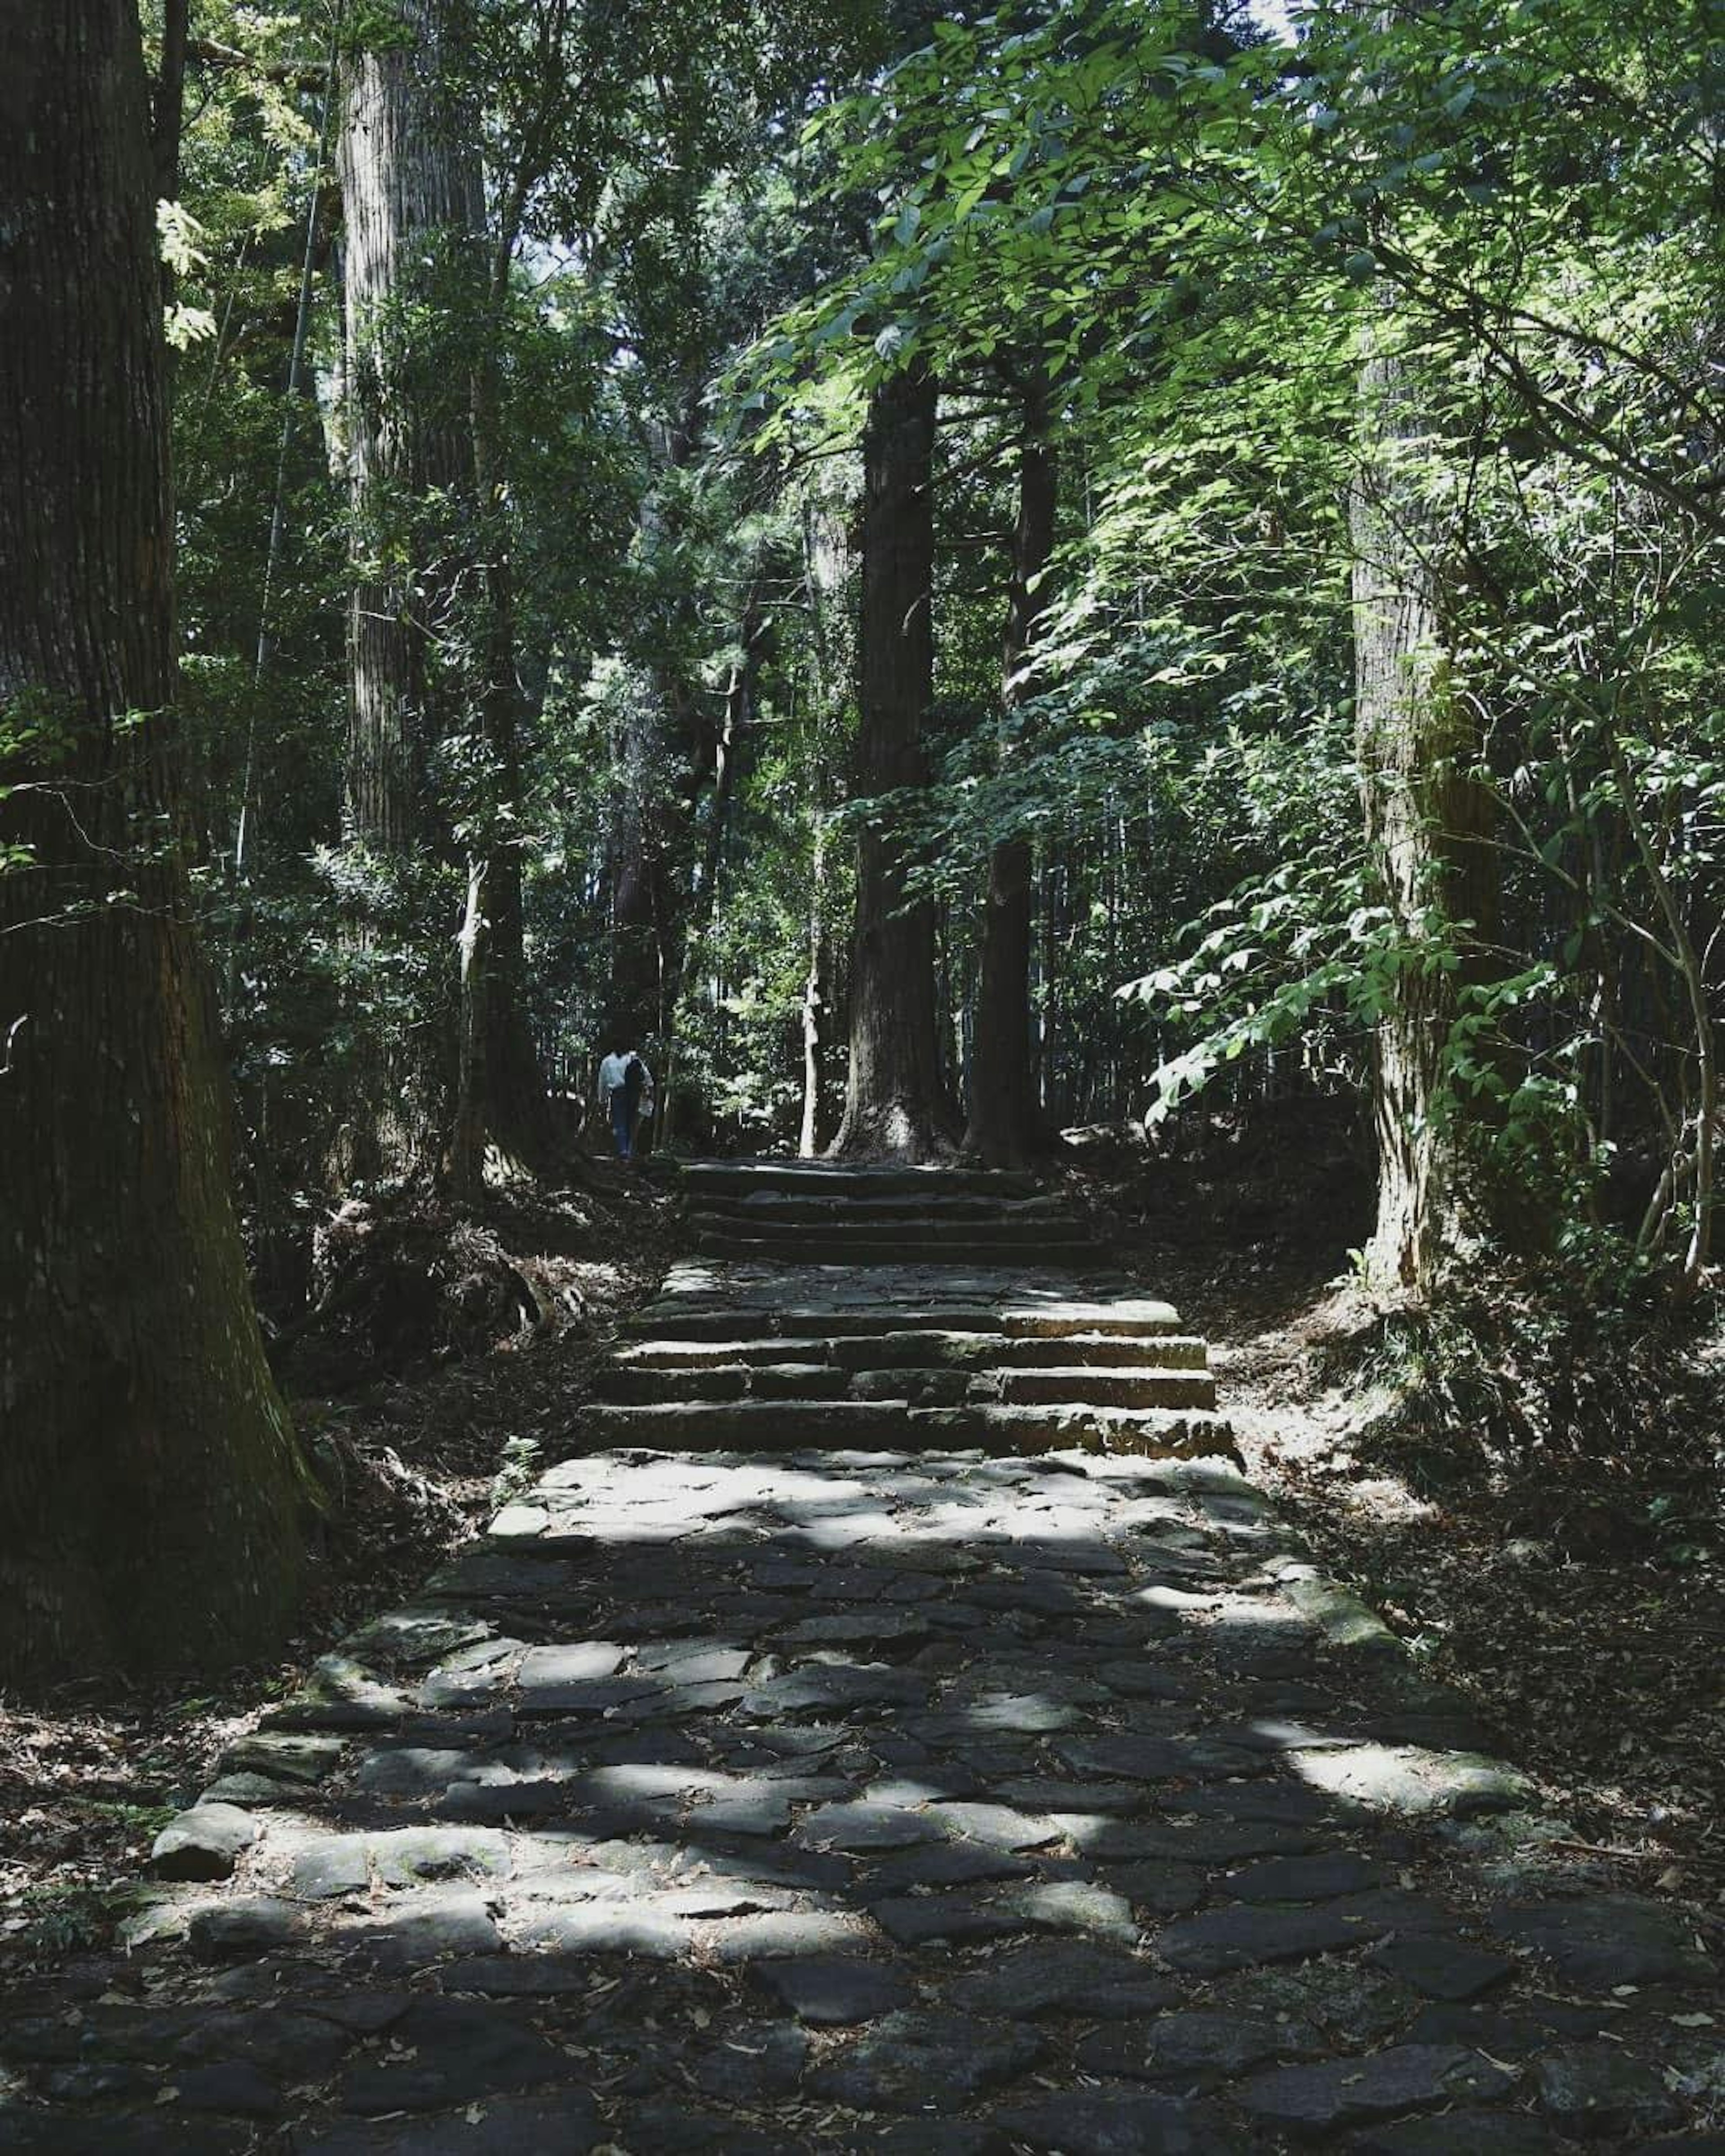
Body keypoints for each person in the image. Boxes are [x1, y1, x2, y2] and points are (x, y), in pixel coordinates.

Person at [597, 1040, 653, 1161]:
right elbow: (646, 1075)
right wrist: (648, 1089)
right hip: (634, 1092)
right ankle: (628, 1149)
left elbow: (603, 1082)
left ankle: (623, 1150)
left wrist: (602, 1099)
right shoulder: (632, 1058)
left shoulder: (607, 1061)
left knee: (620, 1121)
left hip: (618, 1093)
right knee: (630, 1120)